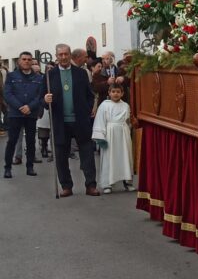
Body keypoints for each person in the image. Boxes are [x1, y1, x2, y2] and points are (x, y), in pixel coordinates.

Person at [43, 43, 100, 197]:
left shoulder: (80, 73)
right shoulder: (50, 75)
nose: (63, 57)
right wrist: (45, 99)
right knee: (61, 156)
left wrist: (87, 109)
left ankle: (91, 185)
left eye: (65, 54)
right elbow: (43, 98)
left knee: (87, 154)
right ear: (56, 56)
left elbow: (90, 95)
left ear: (70, 55)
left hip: (80, 121)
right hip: (60, 122)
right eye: (60, 54)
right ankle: (66, 186)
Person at [3, 51, 45, 178]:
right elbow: (8, 94)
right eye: (24, 59)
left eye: (29, 59)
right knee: (12, 141)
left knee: (31, 141)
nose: (26, 61)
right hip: (16, 114)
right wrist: (20, 107)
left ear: (32, 61)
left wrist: (30, 107)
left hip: (31, 114)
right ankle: (8, 168)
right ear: (19, 61)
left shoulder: (38, 78)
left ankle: (30, 166)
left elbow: (40, 96)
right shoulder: (11, 76)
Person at [92, 84, 134, 194]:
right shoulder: (104, 105)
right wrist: (101, 138)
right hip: (110, 134)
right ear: (109, 93)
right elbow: (100, 121)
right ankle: (107, 184)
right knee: (109, 158)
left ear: (122, 93)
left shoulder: (126, 105)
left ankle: (128, 182)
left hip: (123, 134)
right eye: (113, 91)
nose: (115, 94)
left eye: (118, 92)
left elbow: (128, 121)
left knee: (125, 157)